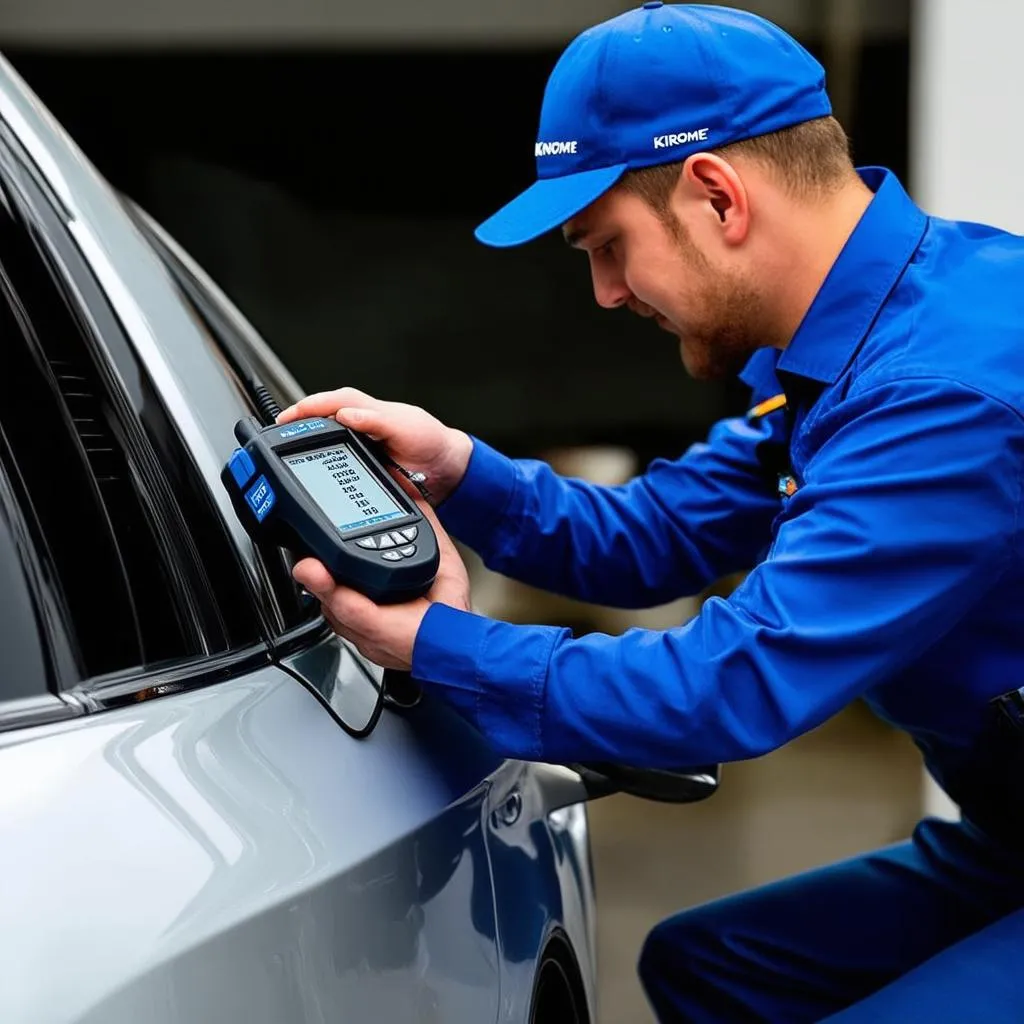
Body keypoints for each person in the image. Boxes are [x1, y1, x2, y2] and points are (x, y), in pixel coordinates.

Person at [278, 3, 1024, 1020]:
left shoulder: (944, 388)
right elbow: (661, 536)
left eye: (606, 244)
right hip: (1007, 834)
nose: (604, 292)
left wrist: (437, 645)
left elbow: (731, 685)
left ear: (716, 195)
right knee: (709, 967)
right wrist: (459, 471)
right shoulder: (859, 342)